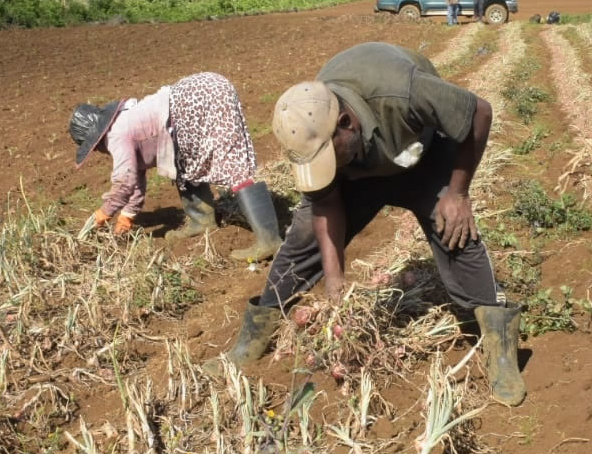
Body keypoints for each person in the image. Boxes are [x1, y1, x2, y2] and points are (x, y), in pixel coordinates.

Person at [206, 43, 525, 406]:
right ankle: (252, 341)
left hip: (422, 157)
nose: (324, 166)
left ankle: (500, 347)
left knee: (454, 230)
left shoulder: (402, 89)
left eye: (328, 156)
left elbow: (479, 112)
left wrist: (458, 193)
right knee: (303, 238)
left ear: (345, 123)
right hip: (358, 173)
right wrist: (334, 281)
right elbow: (325, 203)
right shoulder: (309, 128)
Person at [69, 72, 282, 262]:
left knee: (232, 163)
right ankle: (202, 222)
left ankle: (269, 240)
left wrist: (103, 213)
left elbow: (125, 181)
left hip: (197, 99)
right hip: (199, 92)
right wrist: (127, 215)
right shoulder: (124, 121)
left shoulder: (116, 135)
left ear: (95, 140)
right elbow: (136, 178)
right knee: (185, 162)